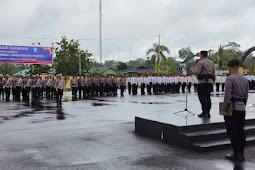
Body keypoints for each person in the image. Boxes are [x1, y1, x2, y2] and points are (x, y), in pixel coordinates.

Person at [221, 59, 248, 161]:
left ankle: (236, 154)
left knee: (232, 131)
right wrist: (242, 105)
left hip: (232, 107)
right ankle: (241, 153)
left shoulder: (230, 78)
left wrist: (224, 109)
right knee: (241, 131)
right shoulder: (244, 79)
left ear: (230, 67)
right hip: (241, 107)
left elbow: (227, 96)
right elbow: (246, 96)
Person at [193, 50, 215, 118]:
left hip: (202, 82)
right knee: (208, 97)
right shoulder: (212, 62)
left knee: (202, 97)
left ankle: (204, 112)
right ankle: (208, 112)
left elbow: (197, 72)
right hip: (210, 81)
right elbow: (213, 72)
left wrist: (192, 70)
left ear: (201, 55)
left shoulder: (200, 62)